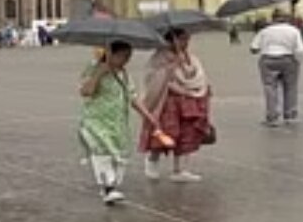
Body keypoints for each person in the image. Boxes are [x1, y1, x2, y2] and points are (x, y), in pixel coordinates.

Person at [79, 41, 166, 205]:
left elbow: (132, 97)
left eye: (128, 57)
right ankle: (108, 187)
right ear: (111, 54)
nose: (126, 60)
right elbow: (86, 91)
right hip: (96, 120)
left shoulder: (124, 73)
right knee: (102, 153)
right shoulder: (93, 68)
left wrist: (148, 115)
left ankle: (111, 184)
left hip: (117, 121)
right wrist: (99, 74)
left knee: (118, 155)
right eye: (123, 56)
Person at [141, 29, 213, 183]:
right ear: (170, 40)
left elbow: (195, 74)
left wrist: (199, 84)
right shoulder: (160, 58)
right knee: (166, 132)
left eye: (187, 39)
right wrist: (171, 67)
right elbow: (155, 79)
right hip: (167, 100)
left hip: (187, 100)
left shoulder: (189, 57)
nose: (185, 43)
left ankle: (180, 169)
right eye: (181, 39)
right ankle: (152, 161)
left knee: (187, 133)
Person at [251, 11, 303, 126]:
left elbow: (253, 48)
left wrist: (264, 46)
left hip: (268, 59)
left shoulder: (264, 31)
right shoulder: (293, 31)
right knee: (290, 87)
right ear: (286, 18)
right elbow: (300, 49)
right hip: (288, 59)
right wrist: (298, 59)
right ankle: (290, 115)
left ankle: (272, 117)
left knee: (270, 88)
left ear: (273, 18)